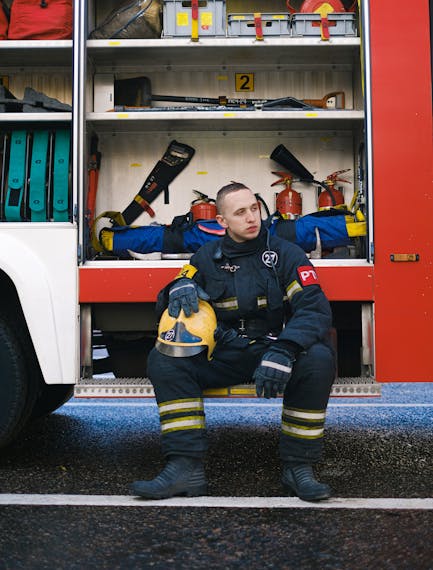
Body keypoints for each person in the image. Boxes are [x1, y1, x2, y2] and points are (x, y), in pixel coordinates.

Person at [130, 182, 336, 502]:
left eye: (254, 208)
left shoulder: (285, 254)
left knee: (319, 359)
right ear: (222, 222)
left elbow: (314, 309)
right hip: (227, 352)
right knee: (164, 359)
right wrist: (177, 288)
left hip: (274, 348)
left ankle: (298, 467)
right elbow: (171, 294)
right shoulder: (206, 257)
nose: (251, 217)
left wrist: (285, 349)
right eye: (240, 213)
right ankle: (185, 468)